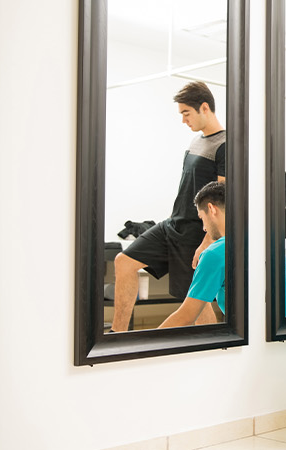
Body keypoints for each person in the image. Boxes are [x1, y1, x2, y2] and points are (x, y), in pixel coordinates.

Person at [111, 81, 228, 332]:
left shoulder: (225, 145)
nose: (183, 119)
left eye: (186, 112)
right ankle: (117, 334)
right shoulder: (196, 142)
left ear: (204, 107)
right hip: (173, 224)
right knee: (124, 262)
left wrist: (207, 242)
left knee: (198, 299)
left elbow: (223, 199)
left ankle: (212, 346)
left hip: (197, 232)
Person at [158, 181, 228, 328]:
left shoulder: (215, 253)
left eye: (202, 218)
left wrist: (144, 345)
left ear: (211, 209)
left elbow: (186, 317)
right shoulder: (260, 242)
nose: (204, 228)